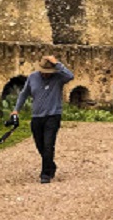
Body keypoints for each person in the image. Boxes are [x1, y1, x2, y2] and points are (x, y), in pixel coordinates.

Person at [10, 55, 74, 184]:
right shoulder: (33, 77)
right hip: (36, 116)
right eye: (44, 72)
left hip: (53, 115)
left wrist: (57, 63)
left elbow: (70, 76)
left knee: (48, 145)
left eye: (48, 72)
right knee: (40, 145)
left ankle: (45, 174)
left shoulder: (59, 77)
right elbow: (24, 94)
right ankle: (51, 165)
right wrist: (16, 109)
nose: (46, 75)